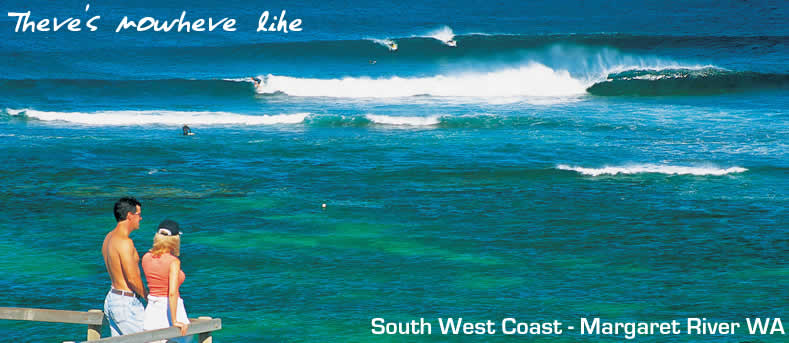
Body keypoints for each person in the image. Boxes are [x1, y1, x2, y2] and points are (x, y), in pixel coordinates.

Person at [102, 197, 148, 336]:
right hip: (125, 302)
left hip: (112, 298)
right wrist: (149, 298)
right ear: (129, 215)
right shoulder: (125, 242)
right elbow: (132, 279)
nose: (140, 218)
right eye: (139, 215)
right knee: (153, 339)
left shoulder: (108, 238)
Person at [142, 219, 191, 342]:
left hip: (152, 309)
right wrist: (174, 320)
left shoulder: (146, 258)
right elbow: (172, 292)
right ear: (175, 239)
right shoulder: (173, 262)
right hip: (171, 309)